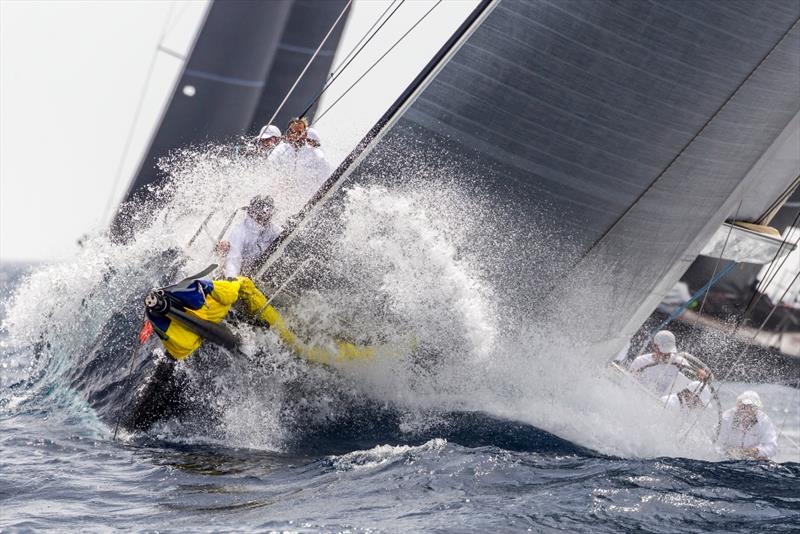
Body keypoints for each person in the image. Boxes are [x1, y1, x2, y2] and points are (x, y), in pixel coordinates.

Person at [126, 273, 378, 431]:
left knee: (299, 350)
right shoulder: (208, 298)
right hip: (228, 308)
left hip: (256, 304)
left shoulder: (225, 291)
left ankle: (366, 356)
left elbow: (230, 290)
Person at [268, 117, 331, 207]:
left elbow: (324, 179)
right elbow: (269, 169)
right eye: (292, 131)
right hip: (281, 199)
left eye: (298, 132)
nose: (295, 135)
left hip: (305, 201)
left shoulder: (316, 154)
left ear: (305, 134)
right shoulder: (279, 150)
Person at [216, 195, 282, 278]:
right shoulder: (240, 232)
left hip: (258, 272)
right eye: (261, 217)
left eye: (267, 217)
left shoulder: (271, 229)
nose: (264, 221)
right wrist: (232, 277)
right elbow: (233, 258)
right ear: (253, 213)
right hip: (238, 273)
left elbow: (283, 235)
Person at [629, 330, 706, 396]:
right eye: (663, 352)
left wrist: (699, 374)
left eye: (668, 352)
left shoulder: (679, 362)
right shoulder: (640, 362)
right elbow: (628, 382)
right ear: (654, 346)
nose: (666, 355)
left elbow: (694, 377)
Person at [716, 391, 778, 461]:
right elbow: (718, 445)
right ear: (738, 406)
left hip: (754, 461)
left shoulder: (764, 420)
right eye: (743, 407)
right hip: (728, 460)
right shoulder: (727, 418)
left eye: (751, 407)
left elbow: (772, 447)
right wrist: (729, 452)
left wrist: (755, 451)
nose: (747, 410)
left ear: (757, 409)